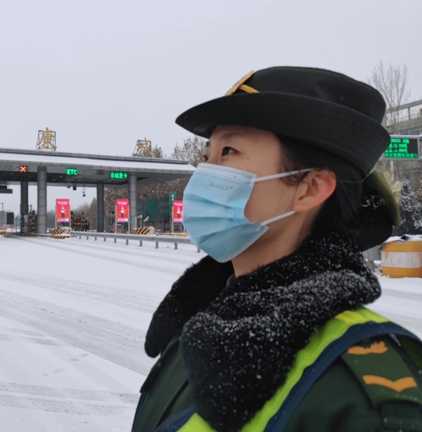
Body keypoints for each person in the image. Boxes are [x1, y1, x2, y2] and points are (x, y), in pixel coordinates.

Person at [132, 67, 422, 432]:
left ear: (310, 189)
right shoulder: (203, 324)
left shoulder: (358, 394)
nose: (204, 173)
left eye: (229, 151)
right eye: (206, 156)